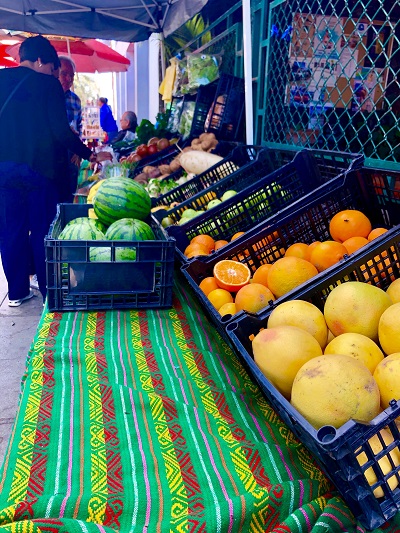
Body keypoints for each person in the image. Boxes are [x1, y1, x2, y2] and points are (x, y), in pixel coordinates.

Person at [0, 36, 111, 306]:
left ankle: (17, 293)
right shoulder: (47, 85)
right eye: (52, 68)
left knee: (10, 229)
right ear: (40, 61)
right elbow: (60, 131)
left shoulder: (2, 80)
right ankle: (50, 292)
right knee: (43, 231)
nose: (53, 74)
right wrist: (89, 154)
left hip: (4, 170)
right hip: (39, 170)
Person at [58, 55, 83, 201]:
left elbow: (79, 127)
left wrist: (78, 150)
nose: (68, 79)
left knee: (70, 195)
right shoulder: (46, 97)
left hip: (71, 155)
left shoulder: (75, 100)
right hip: (52, 157)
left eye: (71, 75)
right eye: (64, 74)